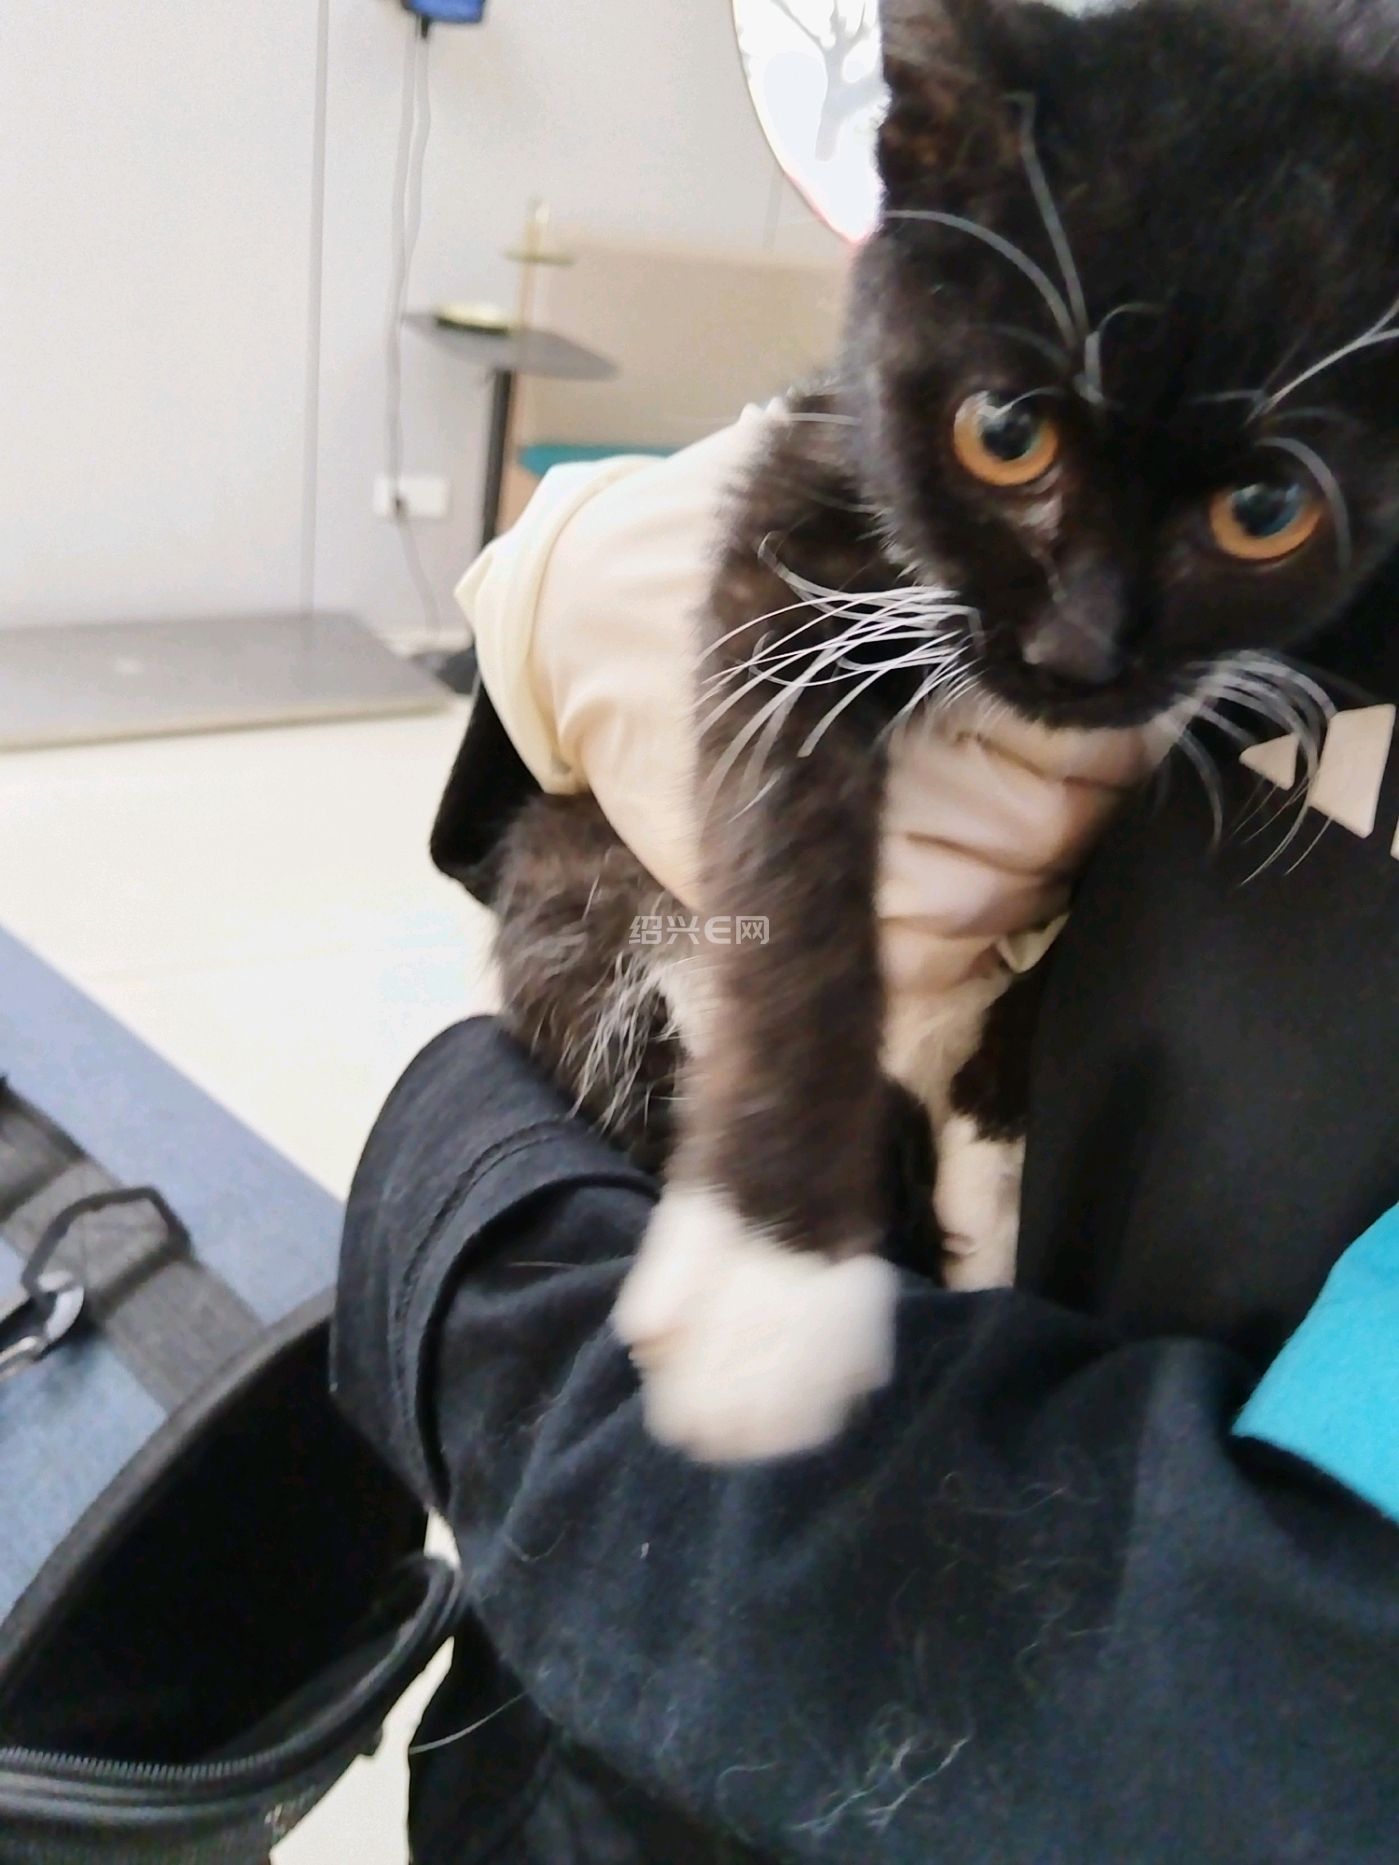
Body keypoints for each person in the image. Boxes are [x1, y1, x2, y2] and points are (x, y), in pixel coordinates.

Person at [333, 421, 1399, 1863]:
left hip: (776, 1605)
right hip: (579, 1724)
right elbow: (550, 815)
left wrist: (467, 1208)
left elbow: (1262, 1679)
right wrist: (570, 597)